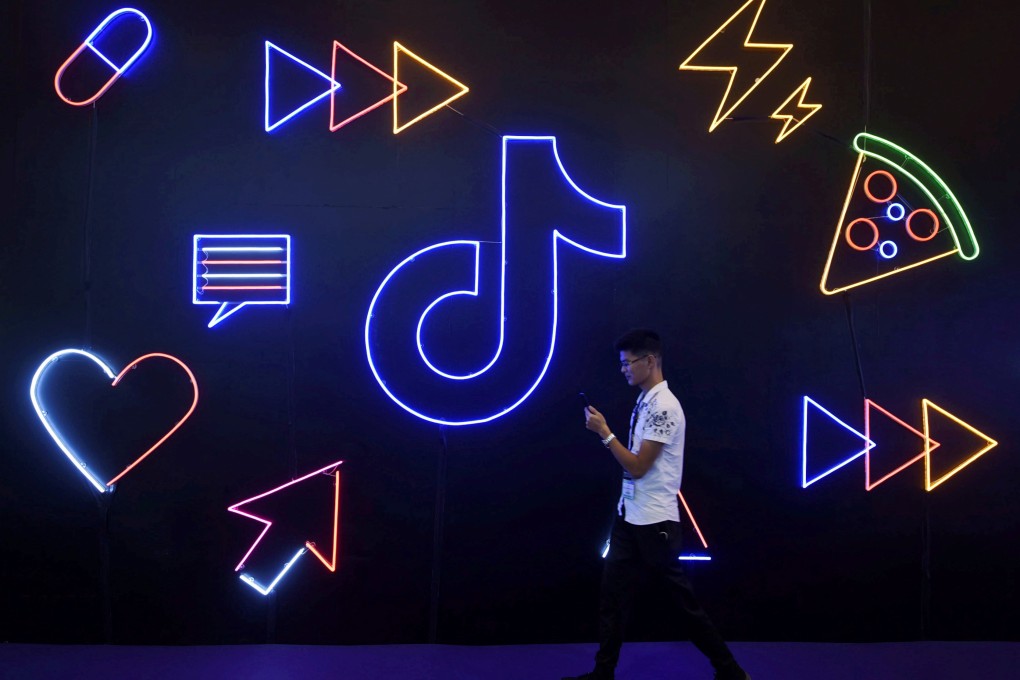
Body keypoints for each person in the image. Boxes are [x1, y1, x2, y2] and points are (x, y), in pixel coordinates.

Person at [563, 329, 749, 680]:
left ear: (650, 361)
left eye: (628, 363)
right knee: (611, 601)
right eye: (621, 363)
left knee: (683, 607)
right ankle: (602, 674)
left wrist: (605, 432)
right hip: (629, 516)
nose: (623, 370)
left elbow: (637, 465)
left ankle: (731, 672)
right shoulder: (646, 399)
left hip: (655, 524)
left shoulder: (665, 406)